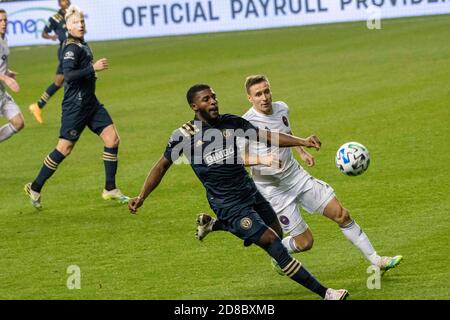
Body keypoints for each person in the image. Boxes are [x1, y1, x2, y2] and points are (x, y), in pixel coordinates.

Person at [128, 83, 349, 300]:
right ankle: (326, 293)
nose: (213, 101)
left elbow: (267, 136)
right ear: (194, 106)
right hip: (227, 203)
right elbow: (161, 166)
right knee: (272, 242)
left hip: (249, 191)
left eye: (214, 96)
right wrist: (141, 196)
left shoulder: (231, 122)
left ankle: (214, 224)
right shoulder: (184, 136)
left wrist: (302, 141)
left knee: (278, 233)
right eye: (206, 99)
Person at [197, 75, 403, 273]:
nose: (264, 97)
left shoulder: (281, 108)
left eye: (266, 91)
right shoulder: (244, 123)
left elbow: (285, 133)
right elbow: (237, 158)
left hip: (296, 177)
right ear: (250, 98)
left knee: (342, 214)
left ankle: (376, 260)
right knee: (305, 243)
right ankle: (279, 253)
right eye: (258, 94)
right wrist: (263, 159)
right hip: (274, 190)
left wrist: (302, 150)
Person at [24, 5, 128, 208]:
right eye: (75, 22)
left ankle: (110, 188)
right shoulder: (70, 47)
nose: (80, 25)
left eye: (81, 21)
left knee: (112, 139)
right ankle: (35, 187)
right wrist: (92, 68)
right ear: (67, 26)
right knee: (64, 148)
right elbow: (68, 75)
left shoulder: (82, 43)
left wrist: (90, 72)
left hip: (91, 102)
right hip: (75, 106)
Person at [29, 0, 71, 124]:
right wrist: (51, 37)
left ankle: (38, 106)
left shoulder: (72, 14)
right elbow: (44, 33)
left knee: (59, 82)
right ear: (59, 3)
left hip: (74, 49)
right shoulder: (54, 18)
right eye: (63, 0)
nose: (66, 1)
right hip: (65, 52)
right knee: (75, 78)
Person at [0, 9, 24, 143]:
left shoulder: (3, 38)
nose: (3, 23)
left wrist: (7, 72)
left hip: (1, 92)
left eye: (5, 20)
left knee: (18, 122)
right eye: (0, 21)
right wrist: (5, 78)